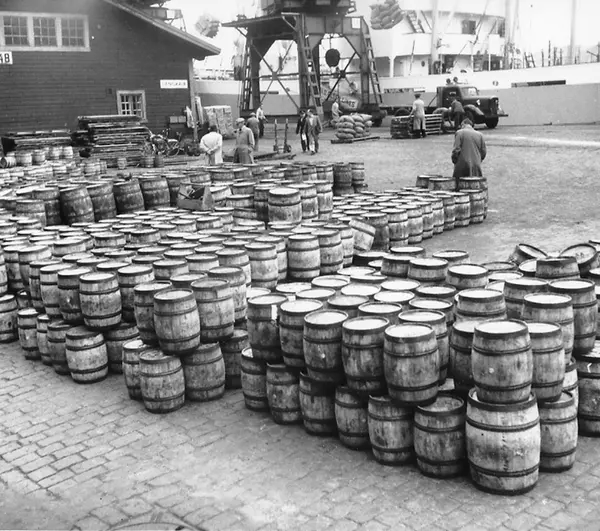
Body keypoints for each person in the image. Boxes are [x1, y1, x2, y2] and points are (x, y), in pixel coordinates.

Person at [452, 118, 487, 188]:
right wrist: (478, 160)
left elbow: (456, 150)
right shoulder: (480, 135)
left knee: (459, 187)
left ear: (463, 124)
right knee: (475, 187)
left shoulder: (459, 133)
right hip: (476, 165)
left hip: (462, 165)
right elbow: (483, 152)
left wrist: (454, 160)